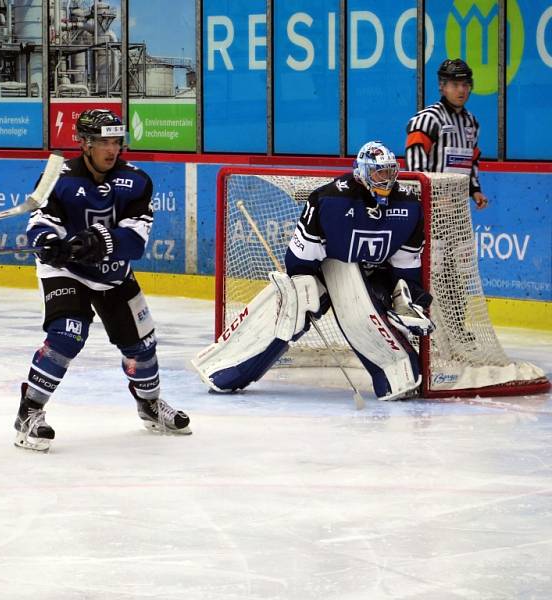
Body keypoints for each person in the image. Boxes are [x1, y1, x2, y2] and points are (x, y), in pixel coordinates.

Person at [193, 141, 436, 401]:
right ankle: (225, 369)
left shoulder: (409, 207)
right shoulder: (330, 200)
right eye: (379, 172)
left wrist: (406, 299)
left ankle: (397, 377)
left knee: (367, 312)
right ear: (363, 172)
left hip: (376, 275)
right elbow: (299, 261)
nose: (386, 179)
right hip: (327, 268)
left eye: (390, 172)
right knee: (295, 305)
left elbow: (406, 269)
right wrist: (304, 292)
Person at [14, 108, 191, 452]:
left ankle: (150, 405)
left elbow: (136, 241)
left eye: (116, 142)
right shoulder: (58, 178)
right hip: (67, 271)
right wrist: (47, 241)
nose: (111, 150)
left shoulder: (137, 181)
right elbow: (40, 222)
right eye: (102, 142)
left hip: (113, 273)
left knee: (141, 347)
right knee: (66, 334)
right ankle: (29, 413)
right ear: (84, 143)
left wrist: (99, 241)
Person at [405, 58, 487, 210]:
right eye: (455, 85)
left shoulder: (471, 122)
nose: (462, 90)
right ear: (442, 86)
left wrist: (474, 190)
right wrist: (433, 197)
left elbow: (471, 160)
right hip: (427, 209)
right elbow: (415, 169)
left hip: (457, 209)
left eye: (465, 84)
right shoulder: (427, 119)